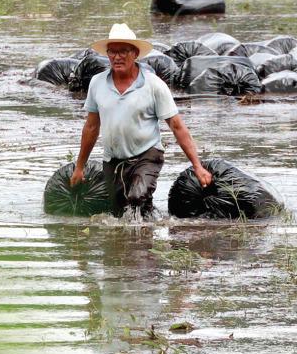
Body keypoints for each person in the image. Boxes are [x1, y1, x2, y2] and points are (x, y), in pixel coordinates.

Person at [70, 23, 213, 216]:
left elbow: (177, 126)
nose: (117, 57)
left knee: (136, 197)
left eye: (123, 51)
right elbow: (91, 127)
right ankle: (149, 228)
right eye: (112, 52)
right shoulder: (97, 83)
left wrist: (197, 166)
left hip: (147, 155)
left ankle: (144, 229)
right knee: (119, 214)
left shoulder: (153, 85)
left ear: (135, 53)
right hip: (113, 160)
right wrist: (79, 167)